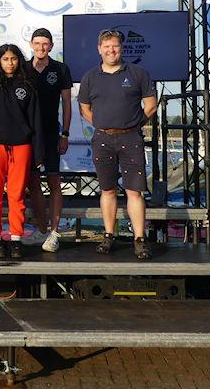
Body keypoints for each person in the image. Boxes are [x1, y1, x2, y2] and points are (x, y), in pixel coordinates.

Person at [77, 29, 158, 260]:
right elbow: (85, 109)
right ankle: (109, 235)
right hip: (102, 139)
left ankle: (139, 239)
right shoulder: (90, 77)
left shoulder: (138, 73)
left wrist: (131, 125)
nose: (111, 50)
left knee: (134, 191)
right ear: (99, 49)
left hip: (131, 139)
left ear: (121, 48)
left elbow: (151, 106)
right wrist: (104, 125)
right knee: (108, 189)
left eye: (115, 46)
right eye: (106, 47)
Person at [0, 44, 43, 260]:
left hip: (21, 146)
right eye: (5, 59)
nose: (10, 63)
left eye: (13, 59)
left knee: (16, 195)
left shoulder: (28, 84)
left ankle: (16, 239)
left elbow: (36, 120)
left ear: (19, 61)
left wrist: (38, 152)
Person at [24, 29, 73, 253]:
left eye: (45, 44)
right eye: (37, 43)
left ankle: (54, 233)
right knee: (33, 183)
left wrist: (65, 134)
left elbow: (67, 104)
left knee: (54, 182)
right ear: (31, 44)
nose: (41, 47)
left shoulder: (60, 69)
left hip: (53, 133)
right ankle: (41, 230)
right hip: (29, 136)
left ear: (51, 46)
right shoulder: (22, 68)